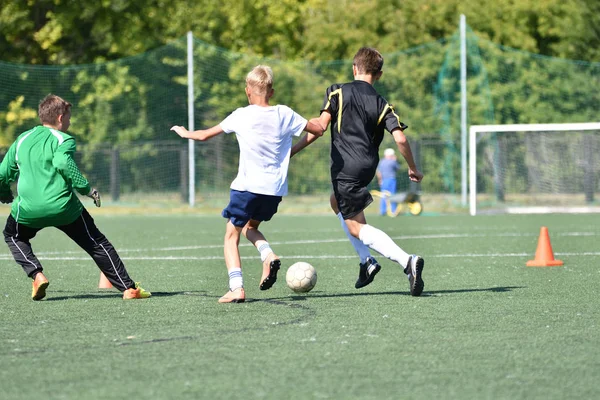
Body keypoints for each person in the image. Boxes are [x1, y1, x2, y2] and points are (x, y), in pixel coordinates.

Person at [171, 65, 324, 304]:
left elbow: (203, 135)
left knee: (231, 236)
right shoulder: (284, 113)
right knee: (250, 228)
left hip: (247, 188)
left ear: (247, 91)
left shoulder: (241, 115)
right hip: (273, 191)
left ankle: (236, 288)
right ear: (271, 91)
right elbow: (318, 129)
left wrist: (184, 132)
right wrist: (296, 146)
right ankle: (268, 255)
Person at [292, 47, 425, 296]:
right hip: (367, 168)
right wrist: (413, 168)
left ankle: (408, 262)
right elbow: (401, 140)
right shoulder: (383, 104)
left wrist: (291, 147)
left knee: (356, 227)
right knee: (336, 202)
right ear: (380, 74)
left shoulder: (337, 91)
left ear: (354, 68)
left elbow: (320, 127)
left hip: (346, 168)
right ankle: (366, 262)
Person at [0, 94, 151, 301]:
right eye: (69, 117)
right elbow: (62, 162)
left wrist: (4, 194)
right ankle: (128, 288)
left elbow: (2, 173)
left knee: (13, 236)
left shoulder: (22, 139)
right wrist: (87, 189)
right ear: (61, 118)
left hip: (28, 210)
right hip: (64, 209)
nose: (70, 122)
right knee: (96, 243)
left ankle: (36, 274)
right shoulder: (64, 139)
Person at [376, 148, 400, 216]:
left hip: (383, 180)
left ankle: (383, 211)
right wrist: (395, 160)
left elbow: (378, 172)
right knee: (392, 195)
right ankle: (393, 211)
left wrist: (380, 180)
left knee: (384, 195)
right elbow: (398, 168)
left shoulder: (381, 162)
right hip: (391, 180)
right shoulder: (392, 161)